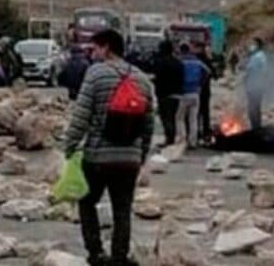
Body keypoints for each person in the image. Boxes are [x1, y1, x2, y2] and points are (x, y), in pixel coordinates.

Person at [62, 29, 154, 266]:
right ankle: (119, 257)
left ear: (107, 48)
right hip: (129, 160)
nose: (91, 54)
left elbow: (82, 114)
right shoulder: (142, 79)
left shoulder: (96, 74)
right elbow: (149, 123)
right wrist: (141, 154)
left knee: (87, 202)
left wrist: (70, 145)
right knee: (122, 209)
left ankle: (96, 253)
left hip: (97, 157)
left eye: (94, 49)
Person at [175, 43, 209, 148]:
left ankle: (182, 139)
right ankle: (192, 142)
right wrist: (200, 84)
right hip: (195, 93)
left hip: (184, 93)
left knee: (179, 118)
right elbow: (208, 71)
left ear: (180, 50)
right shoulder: (197, 61)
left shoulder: (180, 61)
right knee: (193, 119)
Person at [151, 40, 183, 147]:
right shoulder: (178, 63)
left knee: (166, 118)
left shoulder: (161, 62)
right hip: (177, 94)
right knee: (172, 118)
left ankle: (169, 140)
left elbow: (158, 78)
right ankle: (171, 139)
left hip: (164, 95)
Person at [243, 37, 270, 130]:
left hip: (256, 87)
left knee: (254, 110)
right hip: (251, 87)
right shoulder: (254, 57)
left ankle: (256, 129)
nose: (251, 46)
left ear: (258, 45)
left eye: (253, 44)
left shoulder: (260, 57)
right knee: (252, 110)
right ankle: (255, 128)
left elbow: (264, 72)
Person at [196, 43, 216, 144]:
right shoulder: (206, 60)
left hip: (197, 90)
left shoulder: (196, 60)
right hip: (205, 91)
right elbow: (214, 73)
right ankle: (205, 133)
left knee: (197, 113)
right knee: (205, 113)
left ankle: (198, 133)